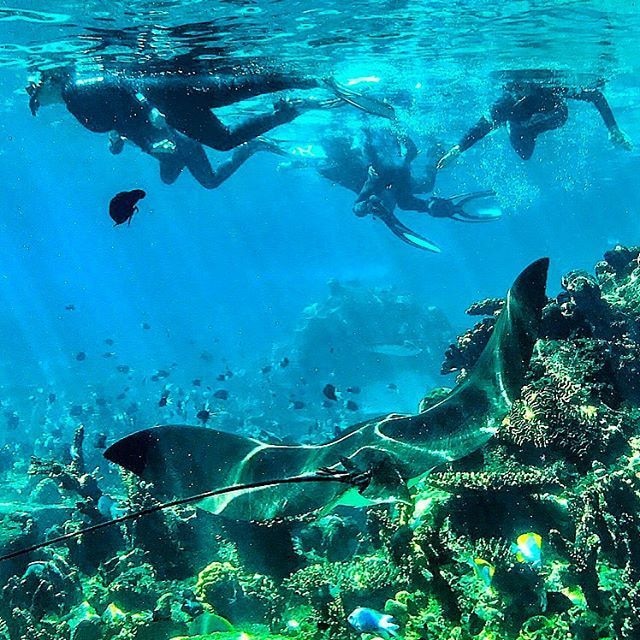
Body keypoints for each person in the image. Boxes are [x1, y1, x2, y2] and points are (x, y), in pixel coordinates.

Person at [26, 66, 391, 154]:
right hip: (173, 94)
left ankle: (291, 106)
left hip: (168, 100)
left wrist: (146, 128)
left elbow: (123, 97)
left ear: (53, 81)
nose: (37, 98)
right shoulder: (77, 95)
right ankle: (311, 80)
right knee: (242, 88)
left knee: (224, 138)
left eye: (36, 91)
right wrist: (141, 134)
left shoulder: (76, 93)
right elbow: (122, 110)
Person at [273, 126, 500, 251]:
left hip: (366, 174)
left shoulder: (379, 186)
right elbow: (416, 198)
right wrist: (440, 207)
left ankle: (301, 159)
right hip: (367, 173)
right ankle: (299, 160)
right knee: (422, 187)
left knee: (331, 166)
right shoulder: (398, 197)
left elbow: (360, 206)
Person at [437, 80, 632, 167]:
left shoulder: (552, 88)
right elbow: (480, 128)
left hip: (550, 119)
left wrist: (613, 129)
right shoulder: (505, 104)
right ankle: (507, 126)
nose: (523, 90)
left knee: (561, 116)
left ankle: (528, 128)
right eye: (520, 89)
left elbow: (595, 95)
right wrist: (457, 149)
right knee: (525, 155)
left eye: (526, 87)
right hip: (519, 124)